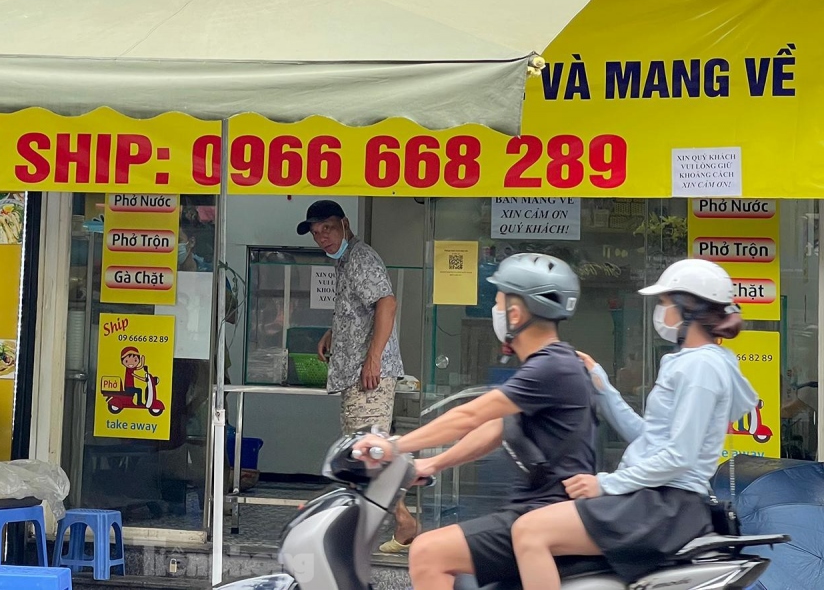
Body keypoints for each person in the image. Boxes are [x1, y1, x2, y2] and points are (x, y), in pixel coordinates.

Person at [510, 259, 757, 590]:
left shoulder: (700, 368)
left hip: (665, 505)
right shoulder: (694, 362)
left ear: (689, 308)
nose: (660, 311)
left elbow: (678, 457)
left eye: (665, 302)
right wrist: (603, 386)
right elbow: (649, 439)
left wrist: (607, 483)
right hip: (657, 498)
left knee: (529, 532)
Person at [355, 253, 595, 589]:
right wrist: (432, 464)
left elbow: (471, 415)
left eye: (497, 302)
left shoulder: (551, 367)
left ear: (515, 313)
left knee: (427, 551)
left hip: (547, 513)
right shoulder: (551, 364)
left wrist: (393, 445)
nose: (494, 312)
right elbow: (496, 429)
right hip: (535, 508)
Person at [297, 200, 415, 552]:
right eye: (317, 233)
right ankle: (399, 521)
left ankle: (384, 525)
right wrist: (334, 333)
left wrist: (373, 359)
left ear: (345, 224)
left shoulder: (361, 257)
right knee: (362, 453)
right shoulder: (345, 262)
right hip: (357, 376)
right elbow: (360, 309)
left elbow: (387, 303)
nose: (323, 238)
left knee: (366, 453)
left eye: (328, 229)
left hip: (369, 379)